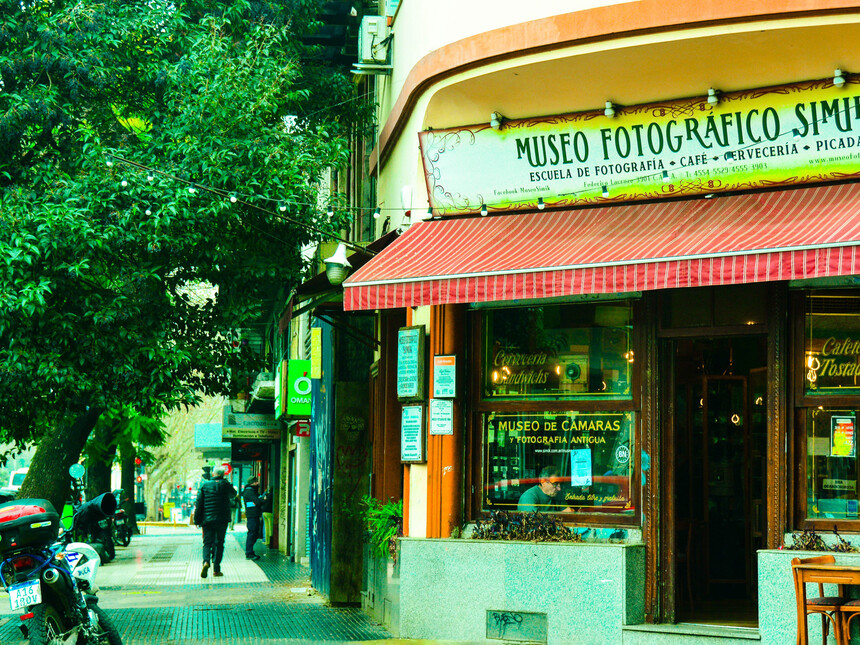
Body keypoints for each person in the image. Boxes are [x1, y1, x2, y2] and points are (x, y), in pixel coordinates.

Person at [194, 465, 236, 578]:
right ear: (223, 474)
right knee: (220, 543)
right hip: (222, 520)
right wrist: (226, 482)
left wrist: (197, 520)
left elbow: (199, 504)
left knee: (207, 543)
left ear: (213, 474)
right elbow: (234, 494)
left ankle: (206, 562)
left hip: (207, 520)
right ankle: (216, 569)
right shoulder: (226, 485)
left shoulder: (204, 485)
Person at [242, 476, 266, 560]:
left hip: (253, 514)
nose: (258, 483)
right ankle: (249, 552)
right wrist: (263, 499)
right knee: (252, 533)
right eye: (256, 482)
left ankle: (250, 551)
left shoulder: (251, 491)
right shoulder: (250, 492)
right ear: (253, 483)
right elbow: (258, 502)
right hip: (252, 515)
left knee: (254, 533)